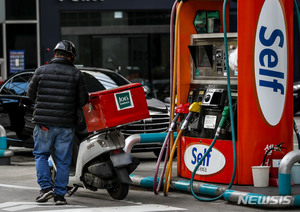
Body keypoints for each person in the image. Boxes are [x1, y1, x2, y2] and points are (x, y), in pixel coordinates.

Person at [27, 40, 89, 205]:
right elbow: (84, 100)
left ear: (55, 54)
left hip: (44, 123)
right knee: (63, 161)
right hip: (66, 124)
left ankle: (46, 189)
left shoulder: (41, 71)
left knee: (41, 154)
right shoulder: (76, 74)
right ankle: (60, 196)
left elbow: (30, 95)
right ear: (72, 57)